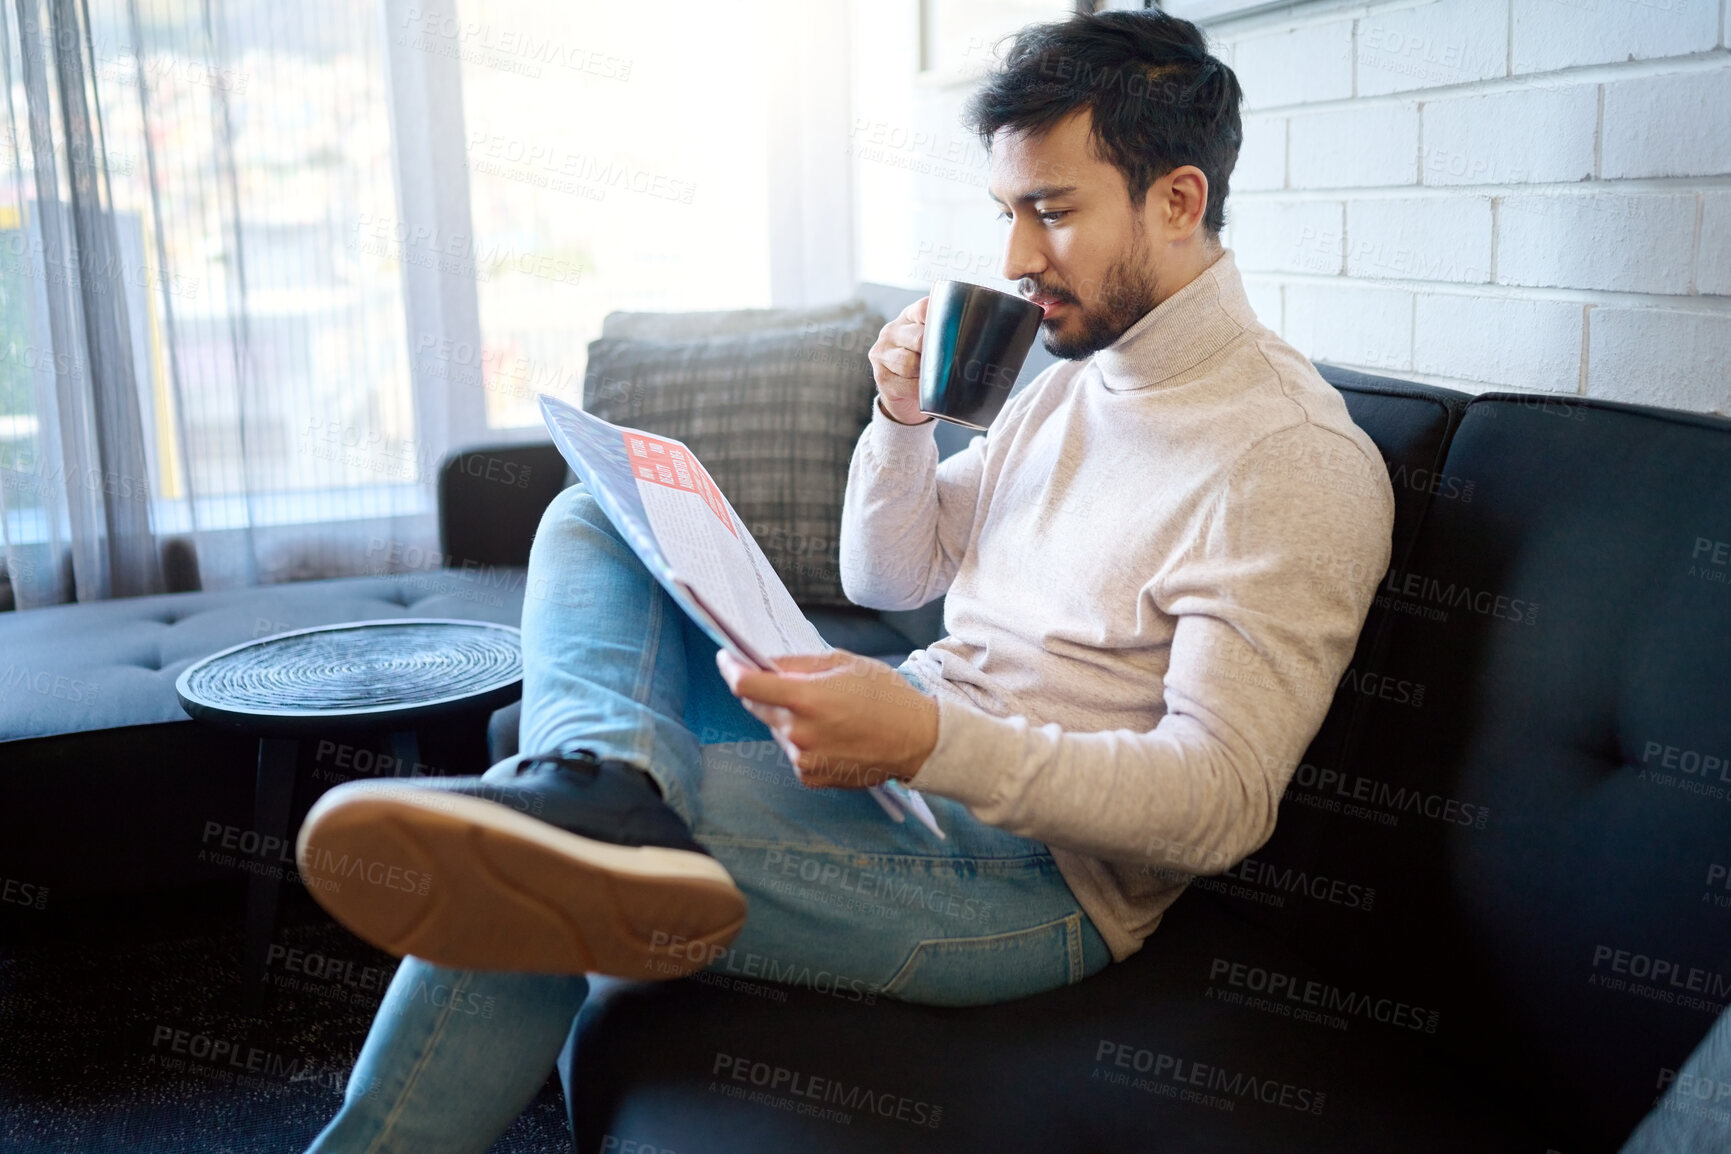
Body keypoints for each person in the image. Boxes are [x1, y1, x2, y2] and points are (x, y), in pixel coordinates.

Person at [296, 9, 1395, 1152]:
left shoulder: (1288, 460)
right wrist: (900, 421)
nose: (1017, 259)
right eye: (1008, 212)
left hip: (1025, 874)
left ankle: (591, 819)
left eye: (1053, 212)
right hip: (913, 739)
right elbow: (893, 571)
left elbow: (1218, 802)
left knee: (532, 872)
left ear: (1177, 201)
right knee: (588, 517)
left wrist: (924, 740)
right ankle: (599, 777)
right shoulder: (1083, 374)